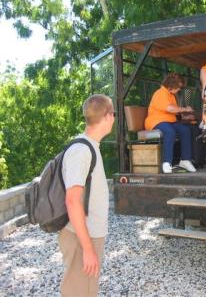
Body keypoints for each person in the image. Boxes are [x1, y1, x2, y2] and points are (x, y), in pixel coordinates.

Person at [59, 94, 115, 297]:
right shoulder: (82, 150)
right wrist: (88, 248)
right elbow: (72, 201)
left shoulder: (91, 147)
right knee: (80, 292)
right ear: (109, 116)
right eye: (114, 113)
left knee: (87, 290)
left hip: (86, 235)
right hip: (81, 236)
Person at [145, 72, 196, 173]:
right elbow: (170, 109)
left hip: (169, 121)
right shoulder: (160, 93)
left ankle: (185, 160)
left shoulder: (171, 96)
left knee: (185, 130)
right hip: (156, 121)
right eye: (179, 87)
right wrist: (185, 109)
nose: (179, 90)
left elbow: (175, 111)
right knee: (170, 131)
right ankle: (167, 162)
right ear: (171, 86)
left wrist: (185, 117)